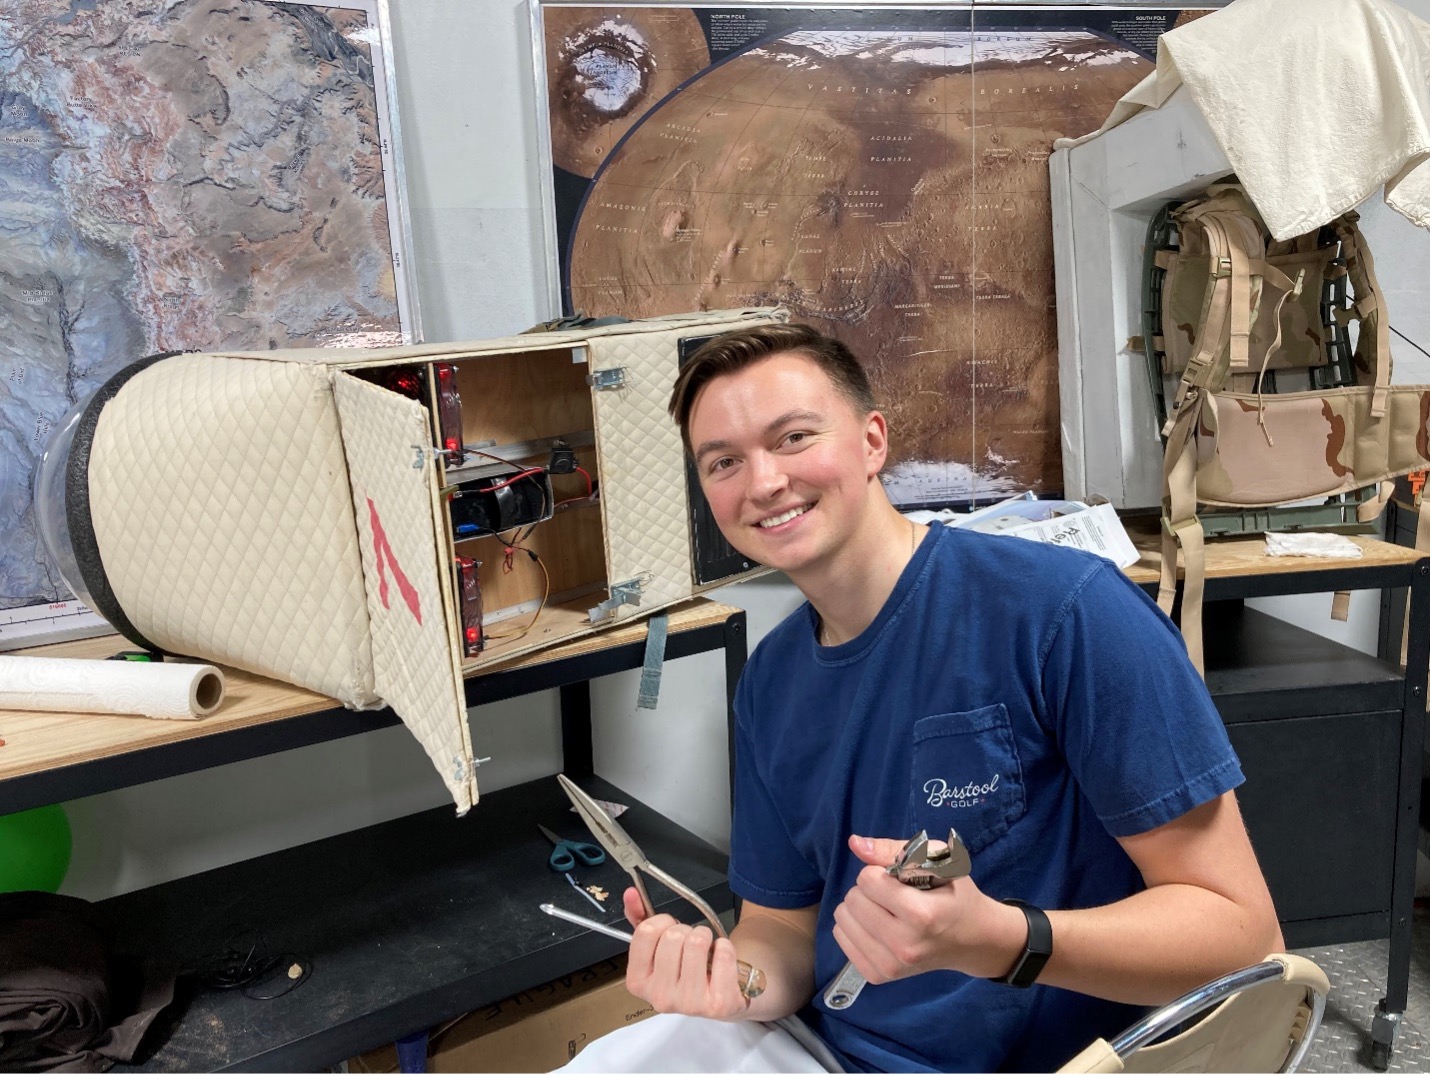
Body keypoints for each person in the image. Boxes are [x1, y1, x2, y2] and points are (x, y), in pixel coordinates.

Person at [564, 322, 1282, 1073]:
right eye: (723, 462)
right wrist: (729, 980)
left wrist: (1002, 941)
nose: (763, 482)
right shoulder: (770, 682)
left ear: (873, 441)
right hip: (834, 1049)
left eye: (794, 437)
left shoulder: (1065, 613)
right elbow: (781, 931)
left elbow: (1243, 937)